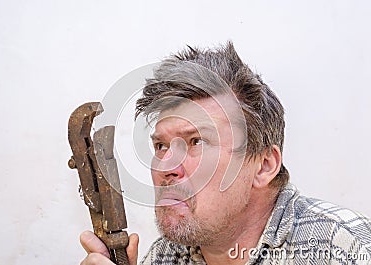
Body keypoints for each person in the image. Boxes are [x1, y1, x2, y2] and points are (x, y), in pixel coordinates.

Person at [79, 42, 371, 265]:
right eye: (161, 146)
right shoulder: (165, 257)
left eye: (196, 142)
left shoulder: (342, 248)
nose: (166, 166)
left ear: (263, 165)